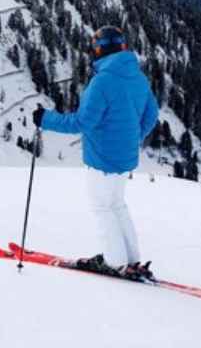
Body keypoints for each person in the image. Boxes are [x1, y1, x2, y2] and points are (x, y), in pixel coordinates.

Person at [31, 26, 159, 279]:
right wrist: (133, 138)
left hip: (102, 157)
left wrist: (45, 119)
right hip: (125, 156)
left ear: (99, 50)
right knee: (117, 205)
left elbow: (81, 122)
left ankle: (115, 262)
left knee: (102, 207)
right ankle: (131, 259)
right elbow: (151, 114)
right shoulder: (137, 76)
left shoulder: (102, 82)